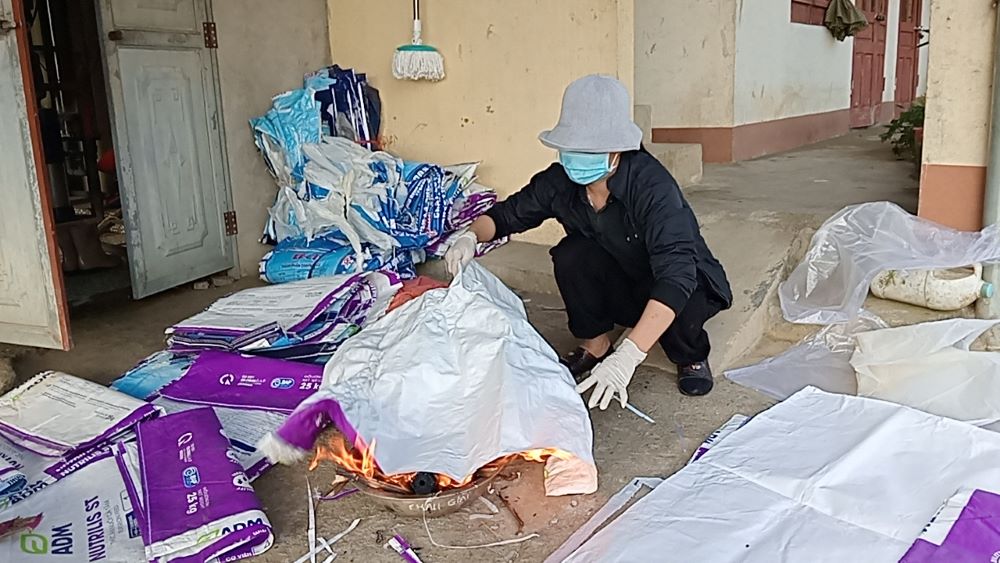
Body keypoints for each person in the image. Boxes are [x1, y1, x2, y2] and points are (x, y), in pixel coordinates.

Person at [445, 75, 732, 411]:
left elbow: (676, 274)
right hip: (621, 278)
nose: (578, 157)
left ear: (617, 150)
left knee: (682, 294)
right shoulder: (559, 182)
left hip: (674, 283)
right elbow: (507, 216)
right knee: (572, 255)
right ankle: (596, 344)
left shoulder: (652, 186)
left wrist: (630, 356)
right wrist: (469, 236)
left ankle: (691, 356)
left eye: (591, 149)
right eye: (573, 147)